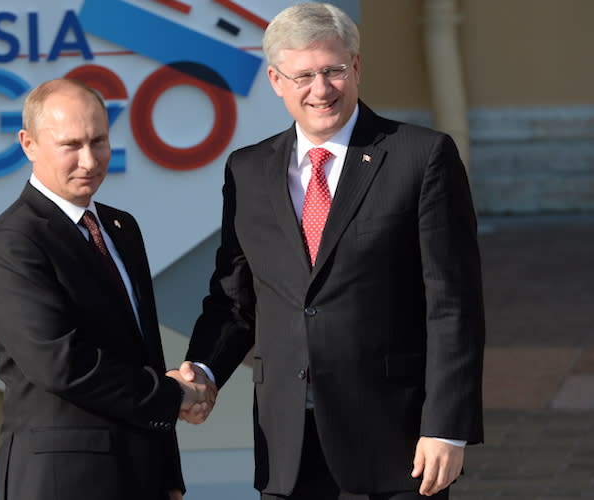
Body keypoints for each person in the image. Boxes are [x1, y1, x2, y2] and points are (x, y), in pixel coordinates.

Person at [174, 3, 485, 499]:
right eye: (303, 76)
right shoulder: (247, 171)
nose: (321, 90)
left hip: (397, 441)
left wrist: (446, 425)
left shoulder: (421, 157)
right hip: (288, 445)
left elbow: (452, 306)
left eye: (333, 71)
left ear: (356, 67)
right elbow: (235, 298)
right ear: (276, 81)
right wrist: (203, 372)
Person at [0, 78, 211, 500]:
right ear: (28, 144)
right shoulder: (13, 241)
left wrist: (169, 475)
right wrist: (173, 395)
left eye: (99, 141)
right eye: (71, 145)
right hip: (63, 480)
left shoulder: (121, 228)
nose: (89, 160)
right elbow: (61, 365)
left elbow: (145, 355)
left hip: (141, 477)